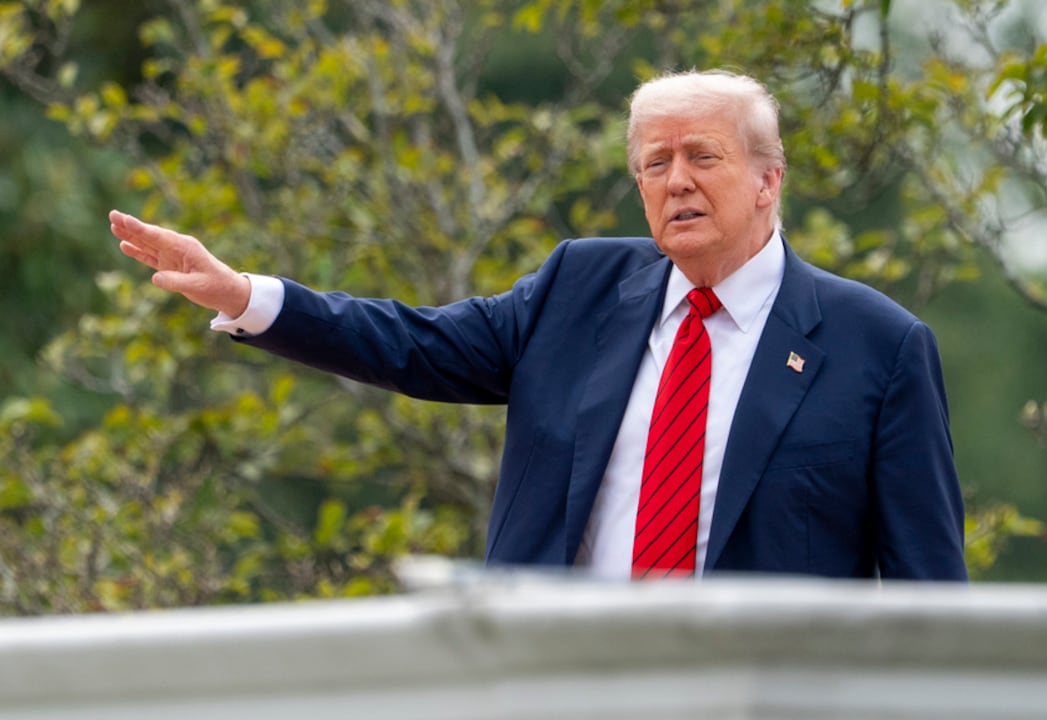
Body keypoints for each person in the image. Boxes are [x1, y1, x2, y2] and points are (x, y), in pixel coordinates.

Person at [111, 70, 968, 582]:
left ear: (768, 180)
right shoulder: (577, 290)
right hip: (561, 686)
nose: (677, 181)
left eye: (703, 156)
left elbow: (928, 588)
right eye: (656, 163)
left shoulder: (878, 347)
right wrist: (244, 295)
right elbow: (412, 344)